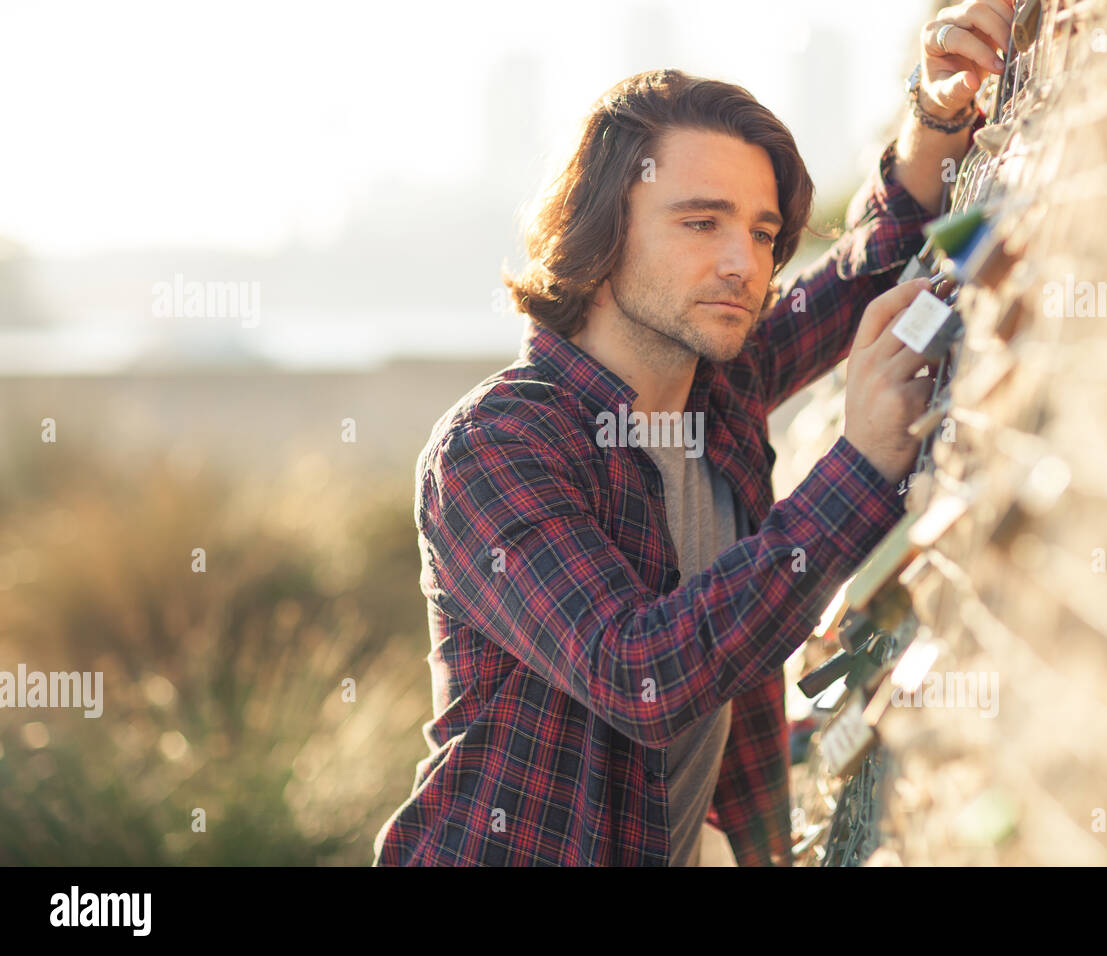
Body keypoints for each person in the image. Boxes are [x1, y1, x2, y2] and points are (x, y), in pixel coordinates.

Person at [374, 1, 1013, 866]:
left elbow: (870, 266)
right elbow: (641, 671)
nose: (742, 263)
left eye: (760, 232)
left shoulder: (721, 384)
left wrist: (939, 114)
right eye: (700, 223)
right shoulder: (494, 447)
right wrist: (862, 466)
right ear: (600, 231)